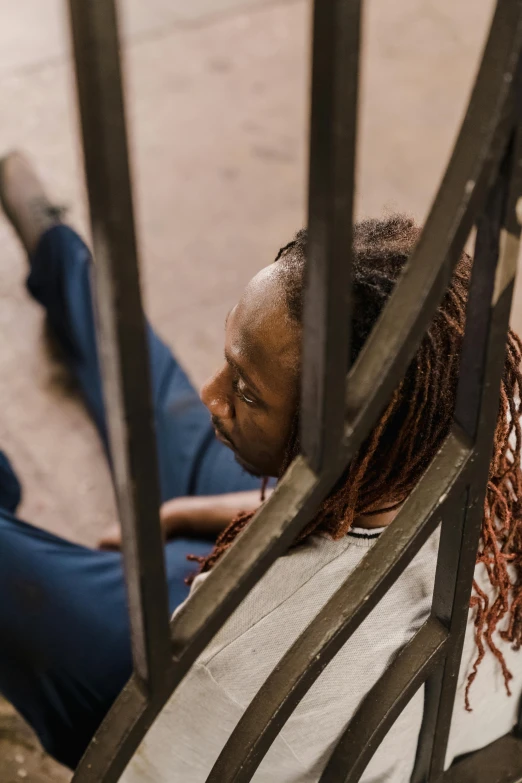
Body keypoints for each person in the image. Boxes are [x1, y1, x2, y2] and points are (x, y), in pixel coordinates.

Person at [1, 151, 522, 782]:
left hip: (185, 693)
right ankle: (63, 255)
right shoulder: (468, 412)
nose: (213, 393)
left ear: (351, 439)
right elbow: (367, 539)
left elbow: (139, 764)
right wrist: (239, 513)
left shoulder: (236, 662)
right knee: (159, 400)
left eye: (245, 392)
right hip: (313, 577)